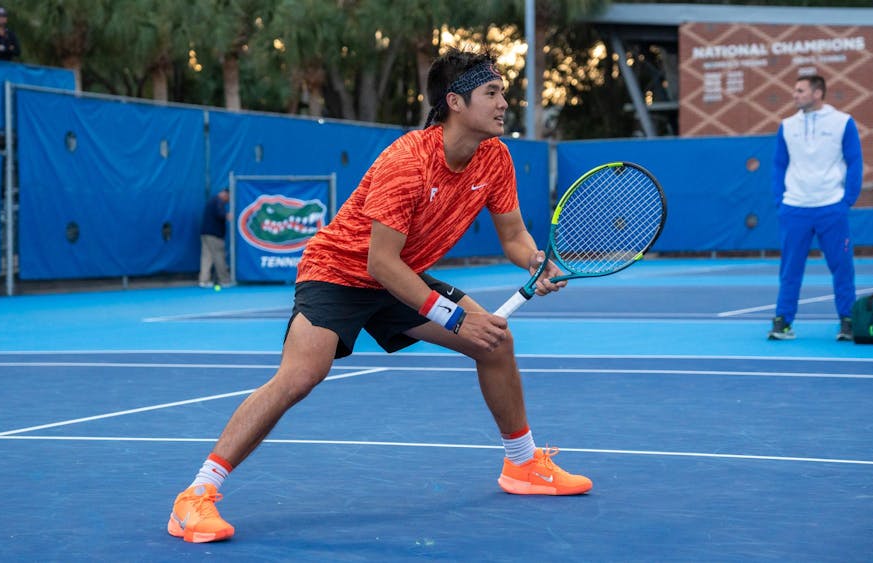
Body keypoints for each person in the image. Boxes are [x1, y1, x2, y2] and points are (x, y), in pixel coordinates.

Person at [167, 46, 592, 544]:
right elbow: (379, 263)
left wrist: (536, 262)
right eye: (492, 93)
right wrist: (457, 320)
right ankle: (195, 496)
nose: (503, 104)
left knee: (495, 343)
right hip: (339, 272)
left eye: (503, 93)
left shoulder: (495, 158)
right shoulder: (408, 160)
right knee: (300, 377)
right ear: (455, 102)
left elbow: (515, 236)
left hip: (400, 276)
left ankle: (522, 465)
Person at [768, 74, 863, 342]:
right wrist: (780, 200)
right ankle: (783, 321)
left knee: (842, 267)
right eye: (795, 90)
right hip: (794, 208)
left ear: (818, 92)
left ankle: (847, 320)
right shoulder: (787, 126)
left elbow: (855, 161)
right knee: (790, 269)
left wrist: (847, 200)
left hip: (831, 207)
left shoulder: (842, 122)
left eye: (800, 90)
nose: (795, 95)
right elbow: (778, 164)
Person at [198, 188, 232, 288]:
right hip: (214, 235)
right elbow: (220, 214)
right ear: (225, 194)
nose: (228, 201)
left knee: (206, 257)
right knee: (219, 256)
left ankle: (204, 281)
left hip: (205, 234)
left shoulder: (212, 201)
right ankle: (224, 280)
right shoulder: (218, 201)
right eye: (229, 198)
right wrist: (228, 215)